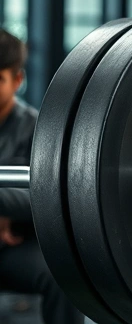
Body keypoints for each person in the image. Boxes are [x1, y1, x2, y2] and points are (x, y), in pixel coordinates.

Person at [0, 29, 83, 324]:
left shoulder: (39, 129)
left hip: (14, 246)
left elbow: (46, 194)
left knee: (63, 275)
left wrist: (8, 211)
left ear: (17, 80)